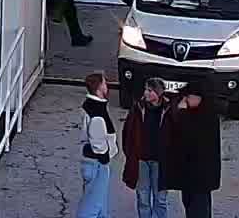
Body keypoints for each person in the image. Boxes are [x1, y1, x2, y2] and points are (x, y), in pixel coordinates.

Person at [167, 80, 223, 218]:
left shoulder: (205, 116)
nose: (185, 100)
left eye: (188, 97)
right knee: (192, 206)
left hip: (200, 176)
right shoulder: (199, 113)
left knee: (198, 209)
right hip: (192, 176)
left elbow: (189, 135)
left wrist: (182, 112)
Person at [120, 78, 171, 218]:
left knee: (160, 200)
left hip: (161, 162)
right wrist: (131, 154)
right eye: (145, 89)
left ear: (158, 93)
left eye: (150, 90)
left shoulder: (169, 110)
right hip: (141, 159)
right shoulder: (138, 108)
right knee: (143, 199)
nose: (146, 93)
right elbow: (127, 133)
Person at [76, 72, 116, 218]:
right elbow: (97, 139)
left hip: (90, 162)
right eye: (105, 83)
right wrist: (105, 156)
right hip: (97, 163)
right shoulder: (97, 112)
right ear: (99, 87)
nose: (107, 86)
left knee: (99, 205)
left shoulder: (89, 106)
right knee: (92, 206)